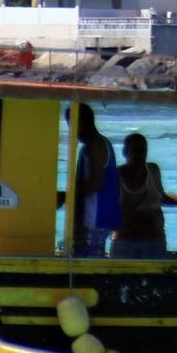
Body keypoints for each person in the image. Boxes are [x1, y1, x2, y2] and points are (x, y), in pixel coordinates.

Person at [110, 133, 177, 259]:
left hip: (153, 238)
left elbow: (164, 198)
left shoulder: (152, 170)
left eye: (143, 150)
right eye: (135, 150)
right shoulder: (116, 176)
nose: (139, 154)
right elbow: (110, 210)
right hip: (126, 240)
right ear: (125, 152)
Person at [62, 103, 120, 256]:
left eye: (71, 125)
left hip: (93, 220)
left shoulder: (96, 145)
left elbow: (95, 183)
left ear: (80, 123)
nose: (71, 132)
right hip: (96, 220)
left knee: (86, 263)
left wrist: (66, 196)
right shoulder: (95, 145)